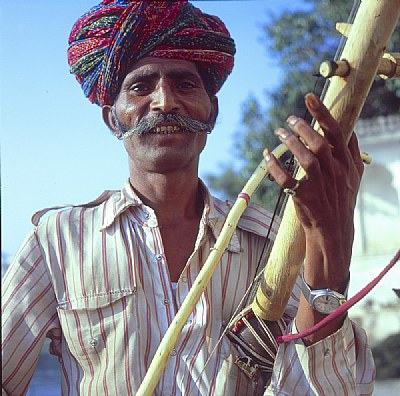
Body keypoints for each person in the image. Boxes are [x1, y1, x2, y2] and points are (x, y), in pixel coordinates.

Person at [2, 1, 375, 395]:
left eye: (184, 84)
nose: (165, 102)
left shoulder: (273, 241)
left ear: (211, 112)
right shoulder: (57, 241)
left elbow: (336, 388)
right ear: (113, 119)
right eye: (141, 86)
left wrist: (327, 255)